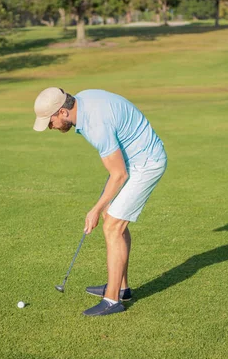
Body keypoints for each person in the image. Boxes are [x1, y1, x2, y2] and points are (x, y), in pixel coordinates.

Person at [32, 87, 168, 316]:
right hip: (132, 160)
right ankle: (122, 288)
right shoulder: (84, 101)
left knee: (112, 225)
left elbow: (119, 174)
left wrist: (94, 209)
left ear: (63, 112)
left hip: (146, 163)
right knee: (111, 217)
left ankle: (112, 300)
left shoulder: (95, 125)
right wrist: (102, 206)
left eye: (50, 121)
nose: (50, 127)